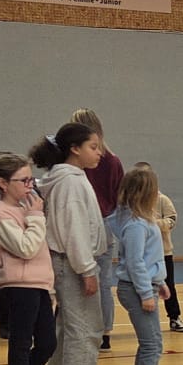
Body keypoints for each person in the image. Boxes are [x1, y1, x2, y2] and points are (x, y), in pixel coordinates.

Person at [34, 124, 118, 365]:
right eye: (93, 147)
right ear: (74, 149)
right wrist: (87, 269)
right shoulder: (70, 182)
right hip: (72, 263)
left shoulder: (68, 178)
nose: (99, 153)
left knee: (69, 326)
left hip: (68, 261)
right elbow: (75, 230)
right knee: (86, 328)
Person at [0, 153, 63, 365]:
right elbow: (25, 248)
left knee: (47, 342)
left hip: (37, 283)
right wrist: (37, 217)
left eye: (31, 180)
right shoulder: (1, 213)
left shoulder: (24, 209)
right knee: (21, 342)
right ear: (3, 183)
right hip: (18, 285)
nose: (30, 186)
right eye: (24, 180)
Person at [106, 164, 180, 365]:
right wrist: (146, 293)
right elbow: (135, 262)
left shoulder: (144, 221)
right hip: (136, 289)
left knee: (153, 342)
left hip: (147, 285)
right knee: (151, 344)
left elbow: (149, 259)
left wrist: (159, 283)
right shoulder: (136, 225)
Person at [71, 109, 124, 350]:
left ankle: (85, 328)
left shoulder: (79, 164)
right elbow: (119, 197)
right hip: (105, 222)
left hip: (88, 222)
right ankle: (104, 332)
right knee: (103, 281)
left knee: (79, 278)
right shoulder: (113, 161)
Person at [151, 173, 183, 332]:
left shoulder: (162, 200)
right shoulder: (135, 201)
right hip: (144, 254)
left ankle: (174, 317)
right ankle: (147, 322)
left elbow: (172, 220)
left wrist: (153, 224)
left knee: (168, 285)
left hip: (163, 252)